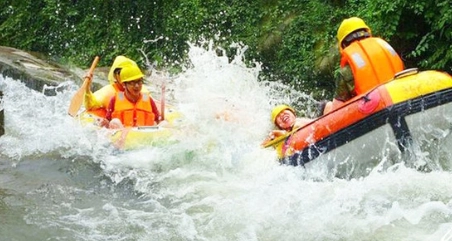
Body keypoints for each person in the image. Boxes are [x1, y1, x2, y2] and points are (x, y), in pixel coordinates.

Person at [323, 17, 404, 114]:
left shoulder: (346, 72)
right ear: (368, 34)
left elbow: (336, 112)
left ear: (344, 45)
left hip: (373, 114)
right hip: (401, 102)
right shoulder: (388, 53)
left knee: (327, 106)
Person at [84, 56, 150, 118]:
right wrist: (87, 88)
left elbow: (153, 111)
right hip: (117, 126)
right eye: (122, 72)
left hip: (139, 127)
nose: (126, 75)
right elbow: (90, 106)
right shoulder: (108, 92)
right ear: (115, 75)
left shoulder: (143, 91)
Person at [102, 64, 160, 128]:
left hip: (144, 134)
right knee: (114, 122)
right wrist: (103, 123)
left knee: (164, 123)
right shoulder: (115, 100)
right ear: (124, 84)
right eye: (132, 83)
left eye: (139, 81)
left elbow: (158, 120)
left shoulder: (147, 99)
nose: (137, 86)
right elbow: (108, 122)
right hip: (123, 134)